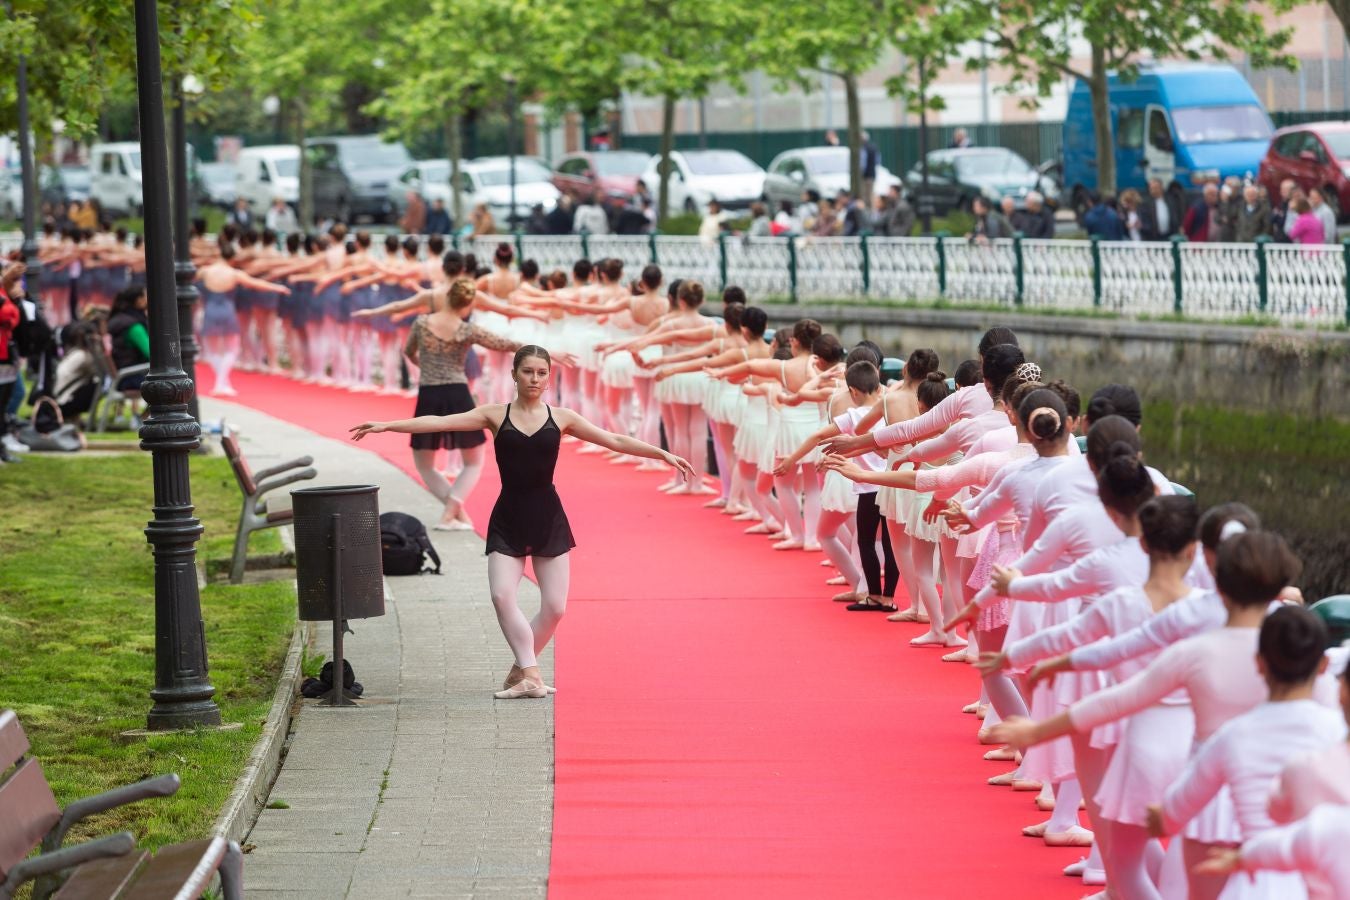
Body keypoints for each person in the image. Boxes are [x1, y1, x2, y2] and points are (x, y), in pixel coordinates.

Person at [351, 345, 694, 699]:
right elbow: (439, 422)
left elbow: (615, 439)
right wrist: (387, 425)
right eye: (528, 371)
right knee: (501, 595)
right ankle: (532, 675)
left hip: (548, 516)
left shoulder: (562, 418)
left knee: (556, 608)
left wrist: (661, 453)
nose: (534, 378)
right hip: (509, 517)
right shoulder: (495, 414)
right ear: (513, 374)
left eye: (541, 372)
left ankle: (521, 671)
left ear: (549, 377)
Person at [106, 285, 149, 391]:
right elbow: (151, 354)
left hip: (123, 376)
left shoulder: (119, 319)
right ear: (139, 301)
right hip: (132, 378)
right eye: (145, 295)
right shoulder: (134, 327)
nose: (148, 298)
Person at [860, 131, 879, 208]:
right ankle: (871, 212)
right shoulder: (874, 147)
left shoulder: (863, 148)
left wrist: (861, 173)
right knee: (871, 194)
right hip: (872, 174)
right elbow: (878, 161)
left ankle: (867, 212)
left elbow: (863, 163)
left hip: (866, 175)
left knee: (865, 195)